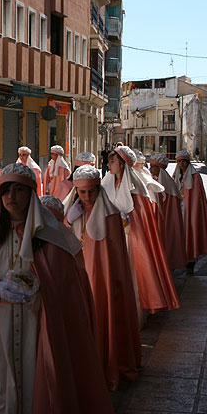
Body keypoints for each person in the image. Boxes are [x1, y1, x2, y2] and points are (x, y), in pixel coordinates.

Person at [0, 163, 115, 414]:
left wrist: (41, 291)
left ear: (31, 193)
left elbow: (68, 292)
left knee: (38, 388)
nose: (12, 197)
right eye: (6, 191)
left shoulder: (53, 237)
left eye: (19, 190)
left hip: (38, 328)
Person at [62, 165, 142, 391]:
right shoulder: (72, 210)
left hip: (102, 280)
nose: (87, 197)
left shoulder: (111, 215)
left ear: (99, 189)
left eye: (92, 191)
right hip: (78, 277)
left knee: (103, 316)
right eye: (82, 192)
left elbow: (114, 258)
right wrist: (68, 221)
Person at [101, 146, 180, 322]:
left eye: (112, 161)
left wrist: (126, 218)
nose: (108, 164)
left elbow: (141, 218)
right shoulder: (108, 182)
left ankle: (135, 313)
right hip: (112, 237)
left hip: (131, 238)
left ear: (121, 164)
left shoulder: (137, 188)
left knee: (132, 274)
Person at [173, 150, 207, 274]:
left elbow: (197, 197)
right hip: (179, 208)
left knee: (189, 234)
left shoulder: (195, 176)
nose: (181, 163)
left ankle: (190, 262)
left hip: (189, 209)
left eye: (184, 161)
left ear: (187, 162)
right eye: (179, 161)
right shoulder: (176, 175)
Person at [149, 153, 187, 270]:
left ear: (159, 168)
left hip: (168, 221)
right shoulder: (156, 180)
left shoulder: (168, 186)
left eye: (153, 167)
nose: (150, 169)